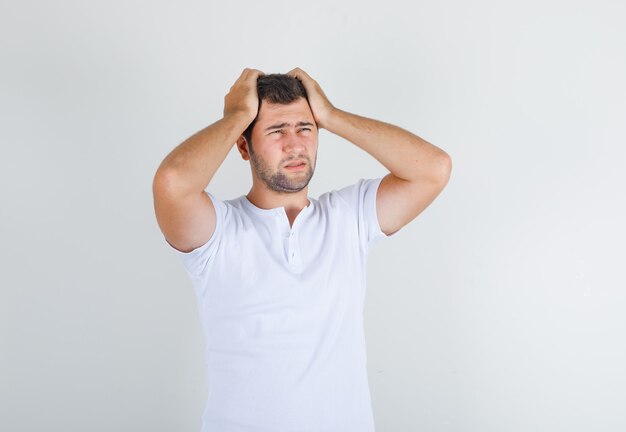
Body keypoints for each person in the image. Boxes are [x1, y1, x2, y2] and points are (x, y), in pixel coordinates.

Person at [152, 67, 452, 432]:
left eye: (305, 129)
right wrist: (237, 116)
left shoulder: (349, 217)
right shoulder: (219, 232)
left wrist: (332, 116)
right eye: (276, 131)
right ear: (243, 146)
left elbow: (434, 169)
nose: (294, 145)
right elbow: (171, 184)